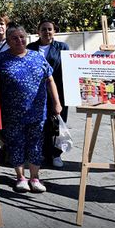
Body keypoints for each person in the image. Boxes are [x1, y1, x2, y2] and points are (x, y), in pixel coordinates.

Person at [0, 23, 62, 193]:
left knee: (36, 145)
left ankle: (35, 177)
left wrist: (56, 102)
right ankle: (20, 178)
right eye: (14, 38)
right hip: (11, 112)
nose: (19, 40)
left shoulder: (37, 57)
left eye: (22, 37)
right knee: (15, 144)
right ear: (8, 41)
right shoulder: (0, 59)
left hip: (37, 111)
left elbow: (50, 80)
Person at [27, 20, 70, 168]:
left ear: (54, 31)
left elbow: (68, 69)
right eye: (43, 29)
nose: (47, 32)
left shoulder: (62, 47)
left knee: (57, 123)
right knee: (40, 124)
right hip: (37, 93)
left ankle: (56, 154)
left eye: (50, 29)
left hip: (58, 91)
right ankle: (43, 153)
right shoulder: (31, 48)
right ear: (38, 31)